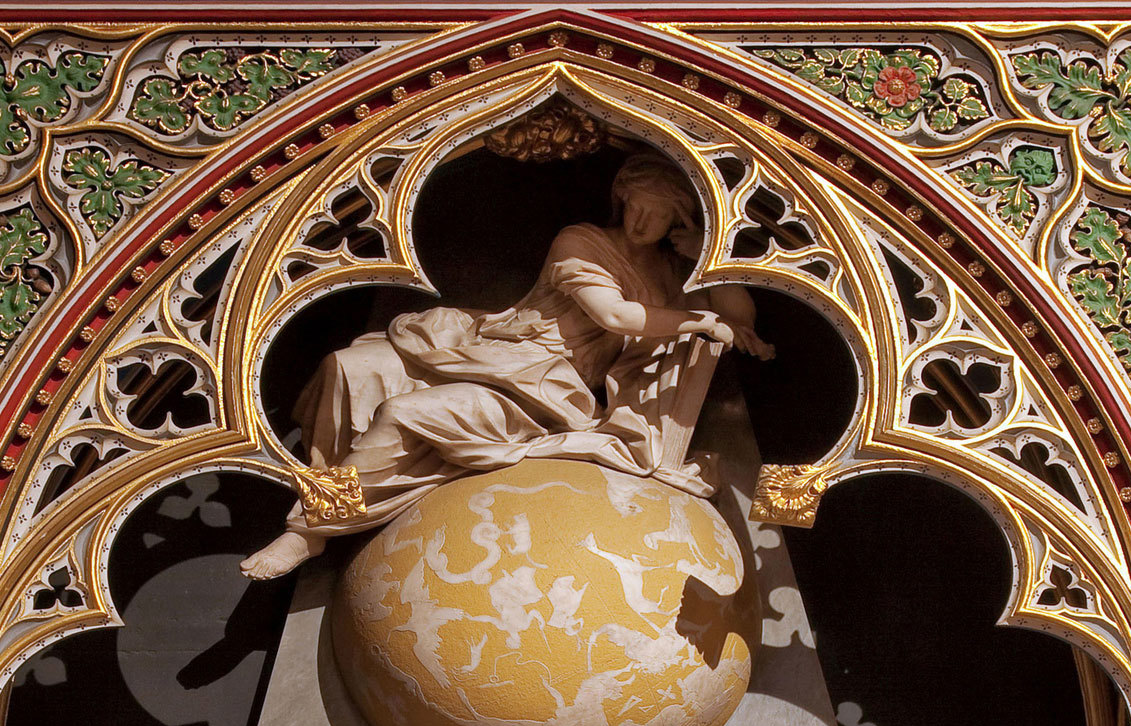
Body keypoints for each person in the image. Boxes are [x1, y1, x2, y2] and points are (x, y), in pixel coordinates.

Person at [240, 153, 774, 580]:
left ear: (677, 218)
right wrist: (697, 319)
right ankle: (340, 483)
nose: (641, 221)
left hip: (540, 389)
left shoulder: (668, 275)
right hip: (488, 351)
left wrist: (706, 251)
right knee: (347, 366)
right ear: (620, 199)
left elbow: (741, 318)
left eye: (658, 215)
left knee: (402, 413)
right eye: (635, 206)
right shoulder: (582, 241)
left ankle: (312, 529)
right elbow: (614, 313)